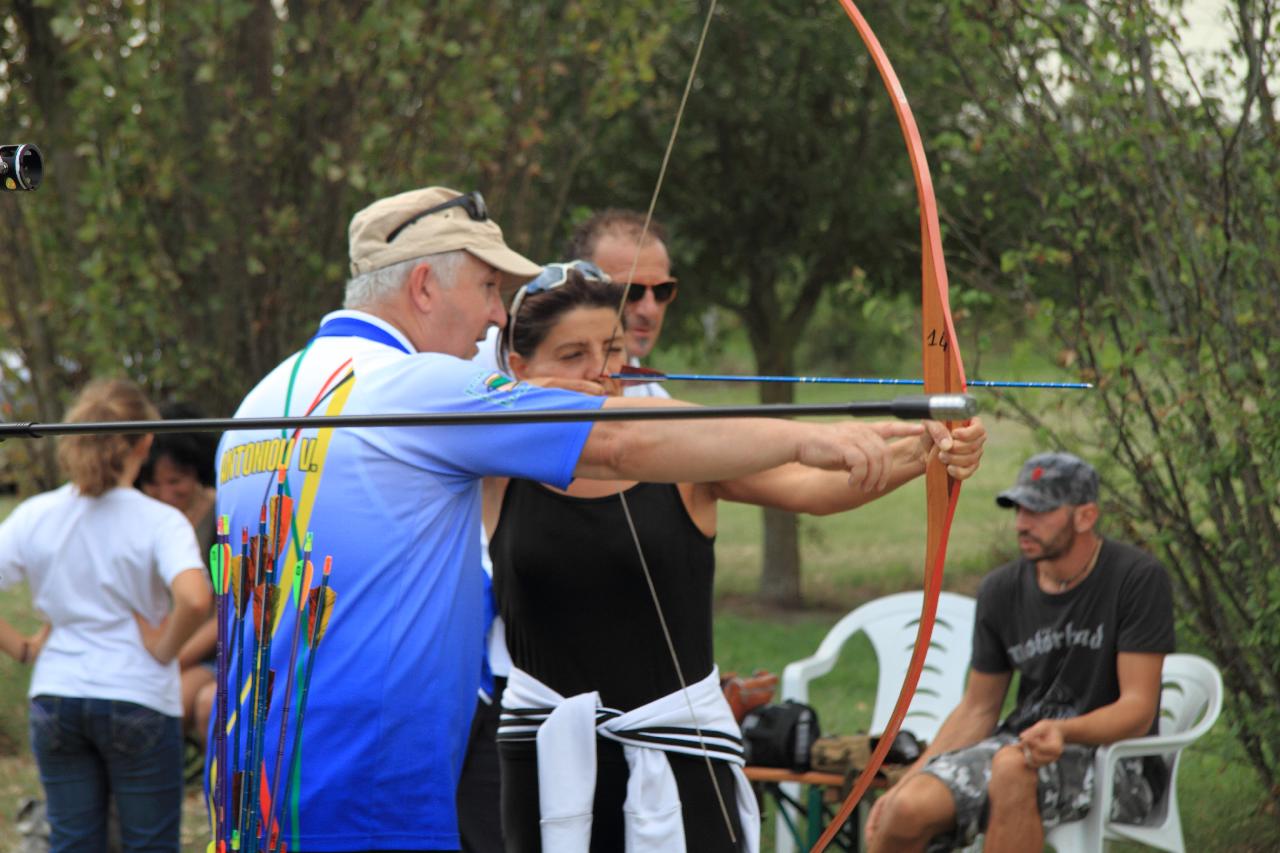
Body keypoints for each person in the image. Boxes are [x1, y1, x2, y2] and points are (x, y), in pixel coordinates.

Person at [215, 186, 929, 852]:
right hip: (371, 797)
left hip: (253, 795)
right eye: (488, 287)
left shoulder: (259, 405)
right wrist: (811, 434)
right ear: (424, 286)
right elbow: (621, 437)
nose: (497, 314)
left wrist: (918, 449)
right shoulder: (417, 386)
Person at [484, 262, 988, 852]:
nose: (601, 371)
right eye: (573, 355)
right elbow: (612, 441)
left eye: (613, 349)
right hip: (544, 756)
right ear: (517, 369)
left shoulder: (687, 455)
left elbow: (816, 488)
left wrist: (933, 446)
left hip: (680, 750)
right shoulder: (494, 459)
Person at [864, 452, 1176, 853]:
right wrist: (909, 778)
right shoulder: (1001, 590)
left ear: (1085, 516)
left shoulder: (1136, 578)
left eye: (1040, 511)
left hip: (1119, 763)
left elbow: (1137, 709)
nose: (1023, 523)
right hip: (1021, 745)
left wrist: (1064, 731)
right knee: (904, 809)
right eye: (1019, 508)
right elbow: (978, 708)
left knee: (1013, 768)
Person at [0, 379, 211, 850]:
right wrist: (164, 647)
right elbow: (196, 598)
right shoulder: (159, 521)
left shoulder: (37, 514)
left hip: (56, 697)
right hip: (137, 698)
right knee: (149, 843)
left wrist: (24, 649)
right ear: (145, 442)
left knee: (73, 842)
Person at [136, 403, 221, 746]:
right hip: (156, 650)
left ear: (198, 472)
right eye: (153, 484)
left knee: (165, 710)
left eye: (176, 481)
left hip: (208, 653)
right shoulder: (139, 519)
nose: (166, 494)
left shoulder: (223, 517)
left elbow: (222, 615)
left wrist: (170, 657)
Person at [566, 208, 677, 398]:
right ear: (578, 286)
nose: (649, 310)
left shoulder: (655, 399)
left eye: (661, 291)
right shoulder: (503, 368)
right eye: (630, 291)